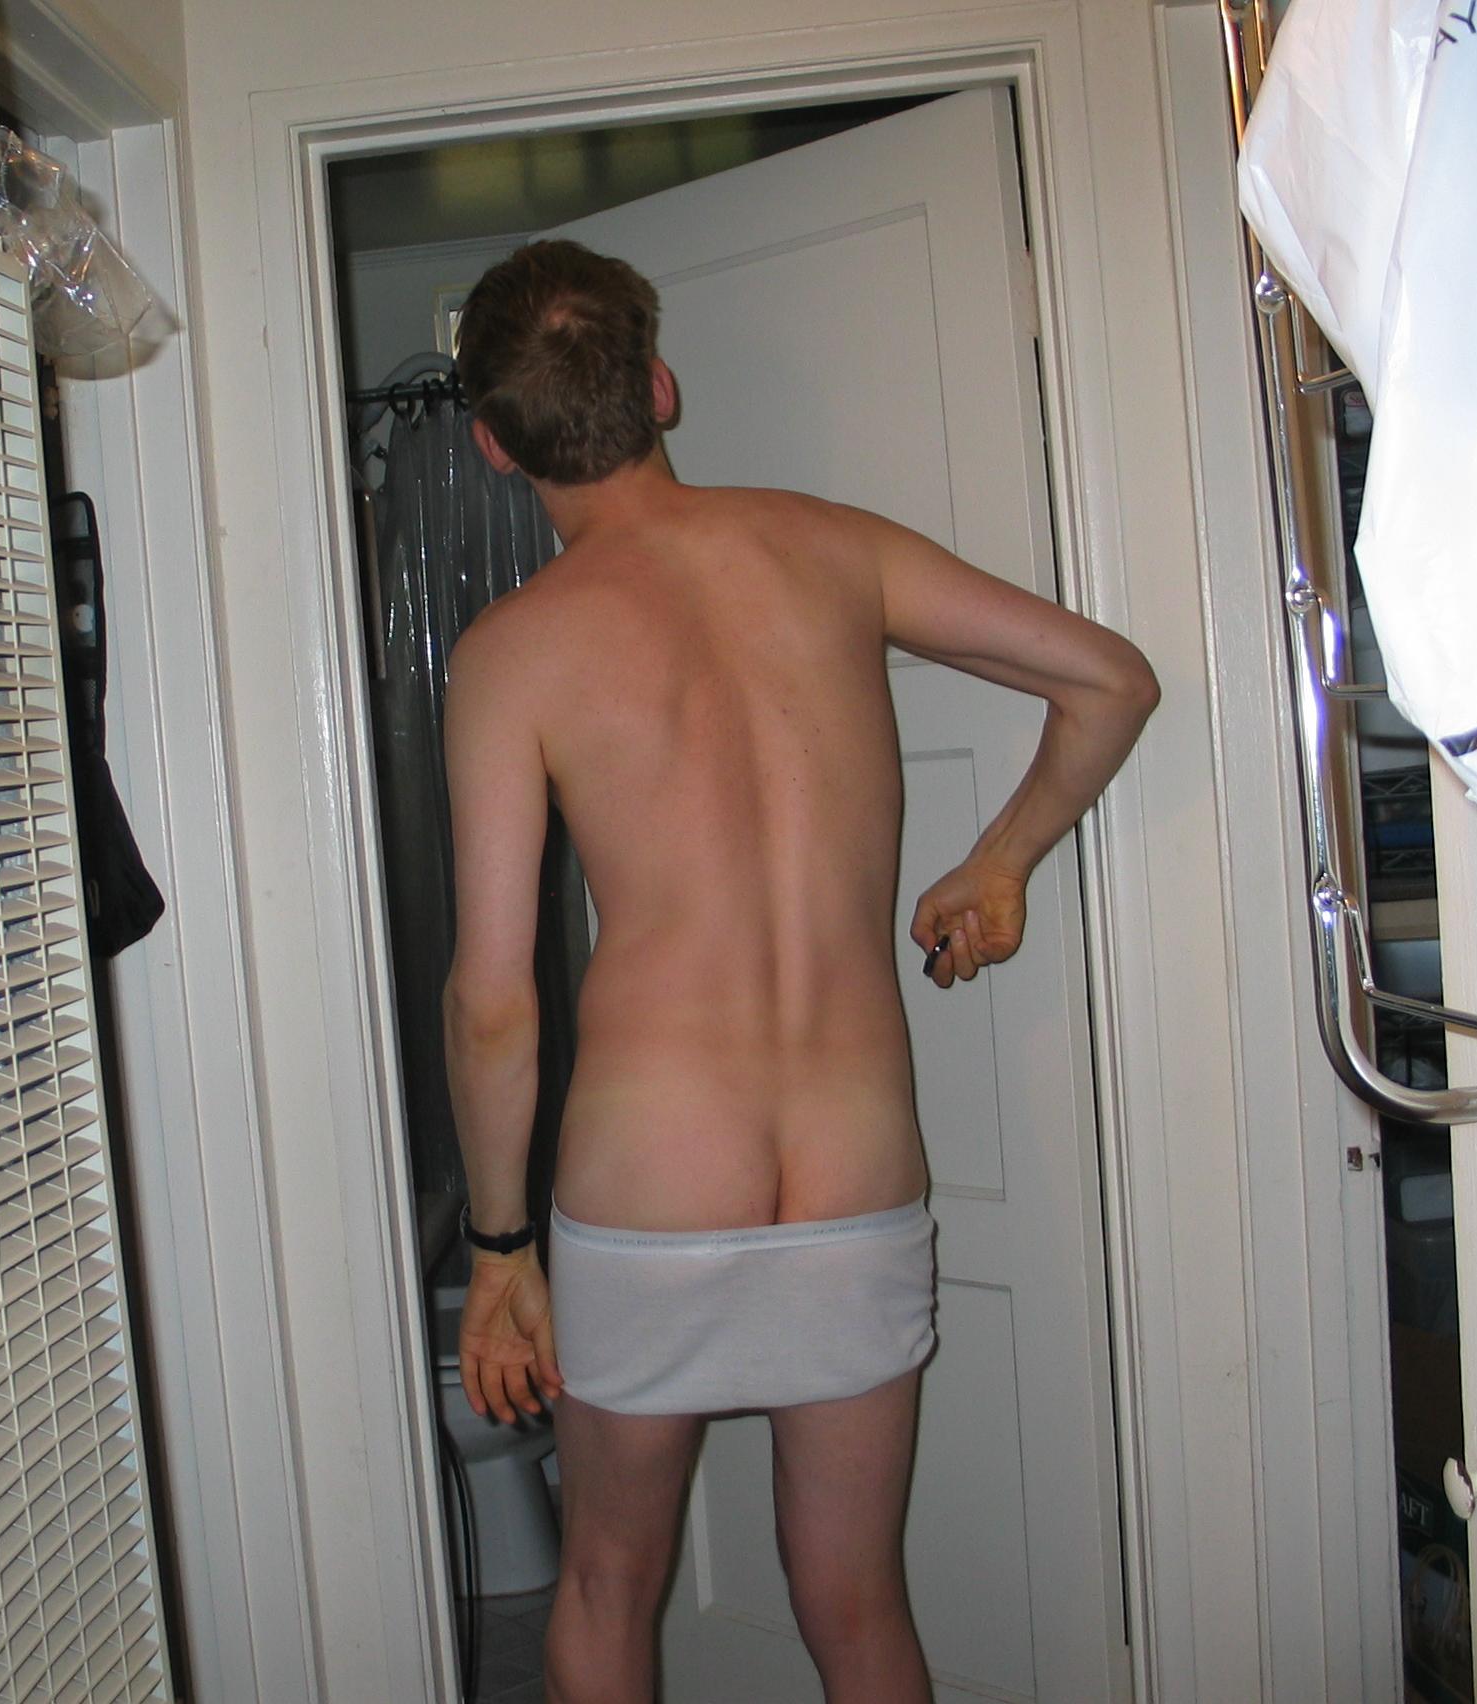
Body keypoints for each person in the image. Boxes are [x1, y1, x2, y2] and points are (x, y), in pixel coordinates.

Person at [440, 239, 1158, 1704]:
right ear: (659, 386)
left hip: (650, 1181)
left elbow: (494, 1003)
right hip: (852, 1167)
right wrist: (1002, 859)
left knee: (607, 1586)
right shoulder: (836, 551)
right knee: (856, 1602)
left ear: (495, 444)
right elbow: (1111, 680)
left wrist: (500, 1248)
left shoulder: (513, 653)